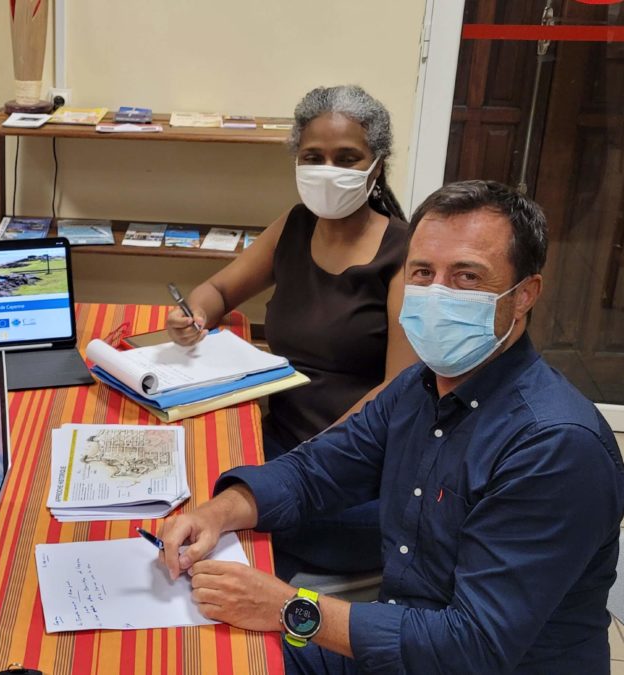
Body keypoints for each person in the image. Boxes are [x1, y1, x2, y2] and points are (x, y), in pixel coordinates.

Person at [159, 180, 624, 674]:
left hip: (467, 662)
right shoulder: (419, 388)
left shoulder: (554, 448)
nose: (437, 292)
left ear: (525, 294)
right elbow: (318, 469)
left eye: (467, 277)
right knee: (202, 653)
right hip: (398, 641)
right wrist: (220, 512)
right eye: (423, 272)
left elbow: (473, 647)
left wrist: (285, 607)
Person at [166, 85, 418, 578]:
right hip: (278, 450)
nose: (329, 169)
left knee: (208, 542)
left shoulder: (404, 255)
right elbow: (218, 289)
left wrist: (304, 466)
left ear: (377, 165)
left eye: (347, 157)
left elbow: (398, 393)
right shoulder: (296, 226)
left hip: (346, 476)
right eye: (313, 156)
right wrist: (193, 315)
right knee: (184, 495)